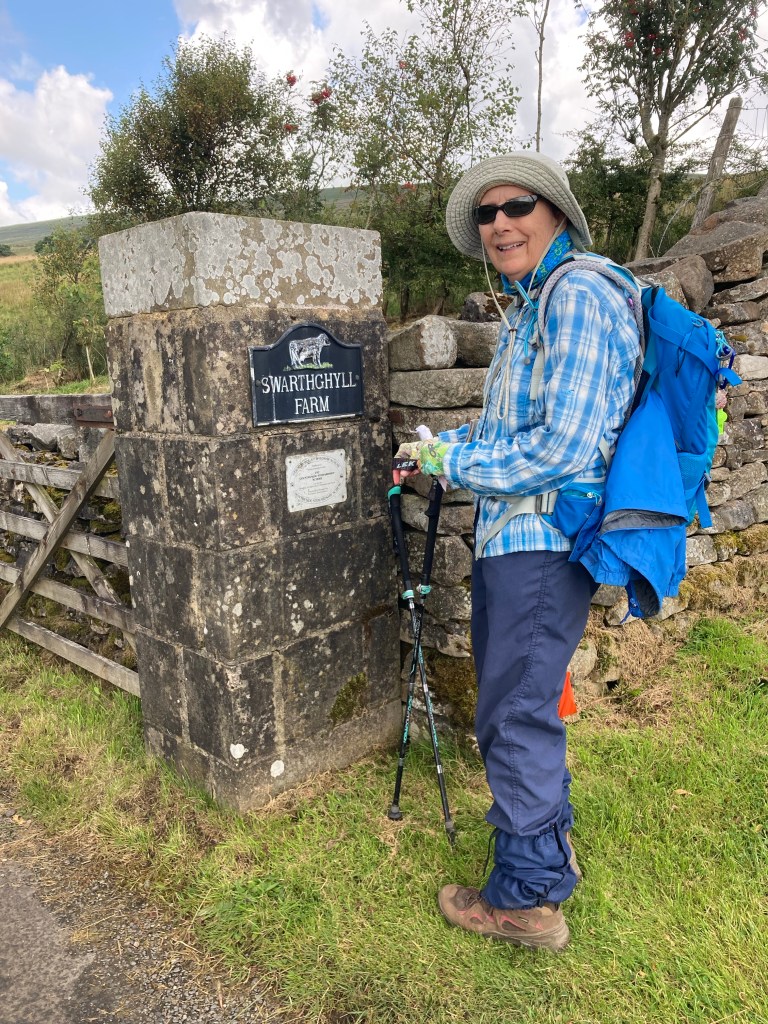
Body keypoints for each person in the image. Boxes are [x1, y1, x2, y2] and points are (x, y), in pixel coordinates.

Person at [393, 152, 642, 951]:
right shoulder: (536, 305)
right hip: (519, 541)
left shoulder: (577, 297)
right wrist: (438, 449)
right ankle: (548, 854)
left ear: (557, 213)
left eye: (517, 206)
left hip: (541, 543)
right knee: (522, 701)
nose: (499, 223)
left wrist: (454, 463)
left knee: (515, 713)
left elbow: (565, 447)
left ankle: (526, 901)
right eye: (486, 213)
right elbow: (511, 428)